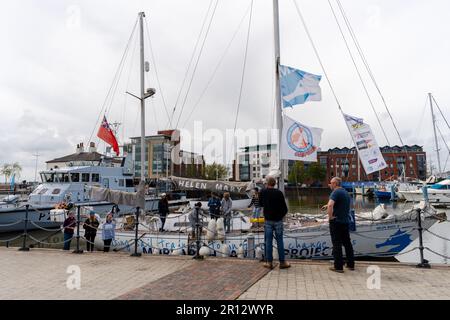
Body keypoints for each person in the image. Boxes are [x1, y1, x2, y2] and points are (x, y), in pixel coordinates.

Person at [322, 177, 355, 273]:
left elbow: (331, 205)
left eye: (331, 183)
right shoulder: (345, 192)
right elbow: (338, 204)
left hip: (336, 222)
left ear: (335, 184)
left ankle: (338, 266)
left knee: (336, 243)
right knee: (347, 243)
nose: (329, 185)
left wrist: (330, 217)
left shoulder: (335, 192)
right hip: (345, 221)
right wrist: (327, 205)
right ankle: (350, 264)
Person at [259, 176, 290, 269]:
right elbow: (285, 208)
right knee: (280, 241)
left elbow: (260, 204)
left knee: (268, 242)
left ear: (267, 183)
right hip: (278, 220)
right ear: (274, 183)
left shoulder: (263, 192)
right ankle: (282, 262)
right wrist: (280, 216)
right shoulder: (279, 193)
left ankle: (269, 262)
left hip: (268, 220)